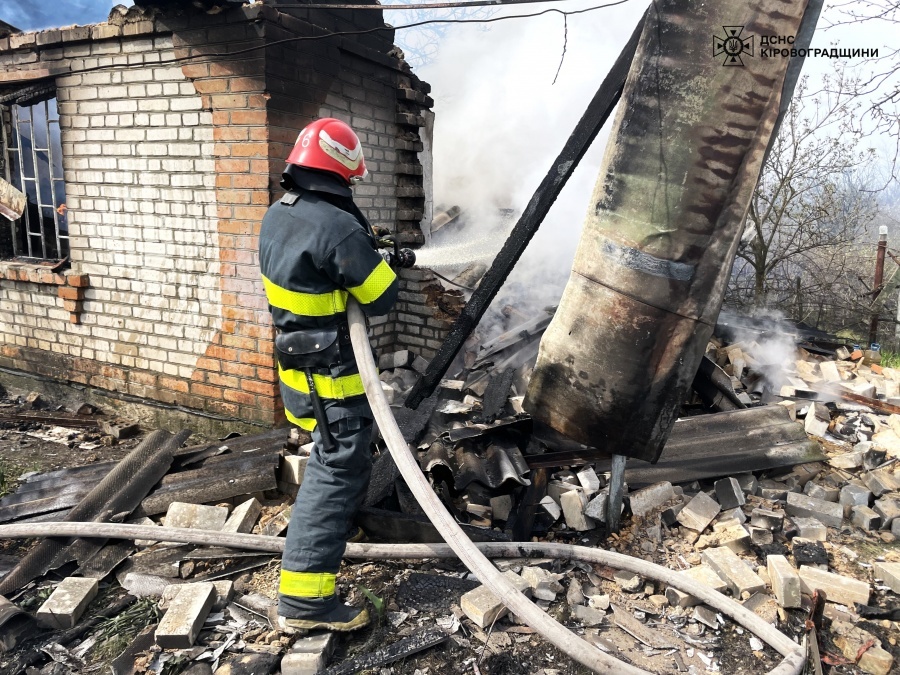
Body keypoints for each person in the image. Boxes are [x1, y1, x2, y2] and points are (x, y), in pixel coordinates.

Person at [259, 118, 399, 632]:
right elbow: (381, 296)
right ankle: (305, 601)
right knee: (336, 466)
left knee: (338, 459)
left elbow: (320, 268)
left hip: (298, 372)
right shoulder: (338, 228)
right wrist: (380, 259)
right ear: (341, 170)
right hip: (332, 377)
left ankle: (334, 534)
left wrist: (365, 249)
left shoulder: (279, 214)